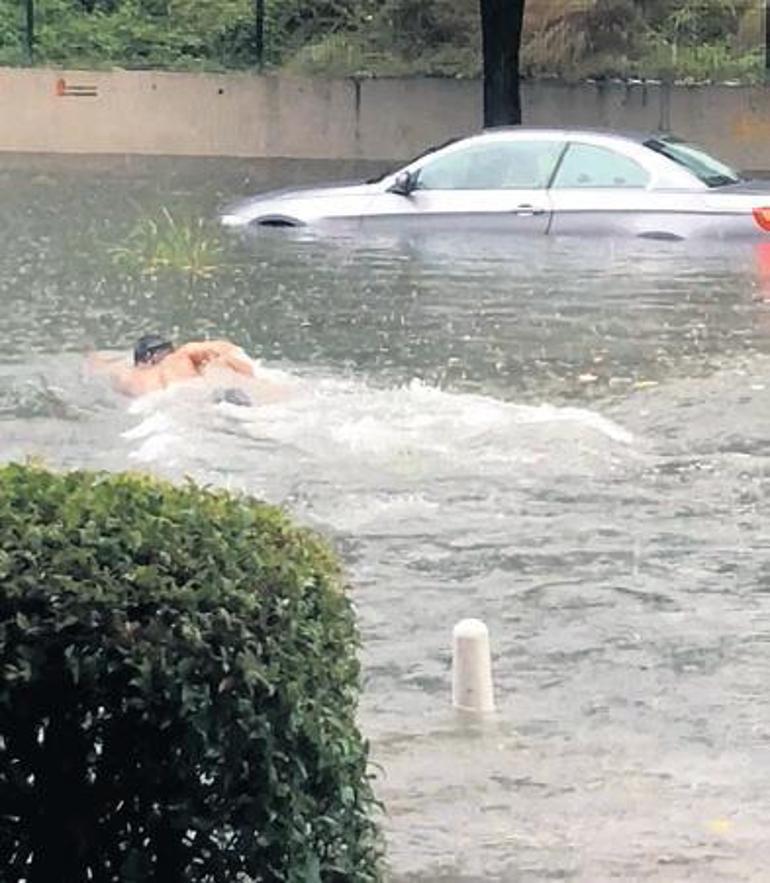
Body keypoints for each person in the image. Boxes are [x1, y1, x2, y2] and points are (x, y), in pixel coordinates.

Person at [90, 334, 285, 403]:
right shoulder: (178, 357)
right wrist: (253, 374)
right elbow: (223, 348)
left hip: (161, 404)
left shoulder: (125, 376)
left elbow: (97, 366)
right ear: (153, 355)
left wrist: (90, 351)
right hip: (196, 395)